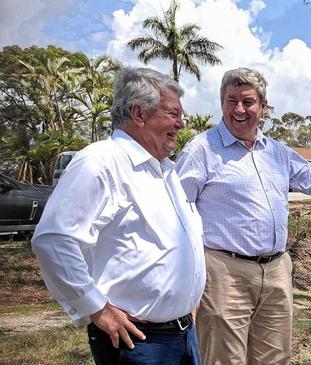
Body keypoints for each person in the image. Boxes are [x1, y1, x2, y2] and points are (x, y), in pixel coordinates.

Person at [175, 67, 311, 365]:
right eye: (231, 101)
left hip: (277, 269)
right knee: (223, 360)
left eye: (248, 101)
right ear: (221, 103)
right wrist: (184, 281)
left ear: (263, 107)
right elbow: (177, 212)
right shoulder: (201, 150)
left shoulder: (277, 152)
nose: (239, 109)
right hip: (224, 273)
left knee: (274, 358)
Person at [32, 67, 206, 365]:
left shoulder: (165, 170)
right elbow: (54, 240)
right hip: (137, 341)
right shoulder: (101, 162)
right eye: (173, 113)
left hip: (183, 335)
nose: (181, 123)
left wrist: (187, 302)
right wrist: (97, 309)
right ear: (139, 113)